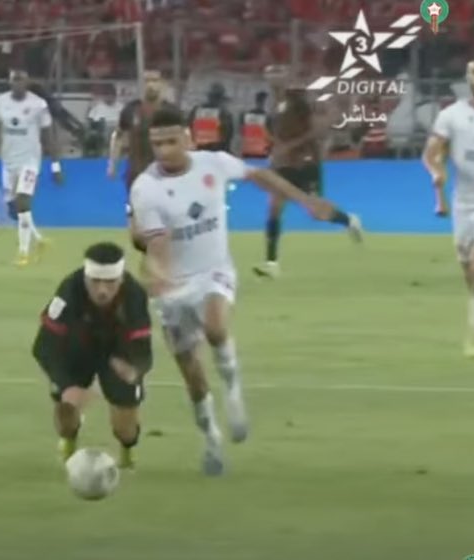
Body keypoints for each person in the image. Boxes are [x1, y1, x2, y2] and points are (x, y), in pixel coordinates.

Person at [129, 108, 353, 475]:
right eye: (157, 144)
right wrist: (160, 276)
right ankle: (211, 440)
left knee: (216, 328)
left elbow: (260, 175)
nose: (164, 150)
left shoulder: (214, 163)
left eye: (171, 141)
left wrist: (305, 200)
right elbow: (156, 244)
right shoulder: (145, 188)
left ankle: (233, 389)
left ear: (187, 138)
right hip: (174, 285)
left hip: (214, 271)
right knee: (192, 374)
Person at [32, 241, 152, 470]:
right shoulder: (69, 291)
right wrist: (66, 385)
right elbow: (43, 347)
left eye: (110, 282)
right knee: (66, 415)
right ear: (86, 277)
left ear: (121, 279)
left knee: (125, 430)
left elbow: (143, 349)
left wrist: (135, 369)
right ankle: (68, 445)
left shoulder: (134, 296)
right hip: (77, 351)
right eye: (95, 281)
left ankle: (127, 450)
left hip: (119, 355)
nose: (102, 290)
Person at [253, 65, 364, 278]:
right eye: (270, 75)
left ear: (286, 78)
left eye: (278, 75)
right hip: (283, 165)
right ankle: (271, 263)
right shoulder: (272, 104)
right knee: (274, 207)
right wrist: (276, 146)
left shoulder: (298, 100)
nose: (273, 79)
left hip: (306, 161)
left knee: (316, 212)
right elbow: (273, 129)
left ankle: (349, 220)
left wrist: (290, 146)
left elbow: (317, 129)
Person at [424, 59, 474, 357]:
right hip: (465, 203)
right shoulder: (451, 115)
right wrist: (436, 171)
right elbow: (431, 154)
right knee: (470, 271)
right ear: (468, 78)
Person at [0, 68, 63, 266]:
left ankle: (23, 252)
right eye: (14, 80)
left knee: (23, 202)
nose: (17, 83)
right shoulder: (0, 103)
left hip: (30, 162)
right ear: (9, 82)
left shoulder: (38, 105)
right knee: (13, 209)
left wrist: (55, 165)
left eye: (21, 80)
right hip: (9, 162)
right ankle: (39, 240)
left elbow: (48, 136)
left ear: (27, 82)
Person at [108, 70, 177, 252]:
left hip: (165, 174)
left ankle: (163, 252)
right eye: (147, 81)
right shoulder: (131, 110)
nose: (150, 85)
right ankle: (145, 251)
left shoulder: (171, 111)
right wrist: (112, 164)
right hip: (136, 173)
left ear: (162, 84)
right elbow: (120, 136)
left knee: (166, 218)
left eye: (154, 80)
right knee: (137, 225)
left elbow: (183, 140)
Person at [188, 82, 234, 153]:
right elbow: (227, 135)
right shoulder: (224, 113)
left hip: (197, 149)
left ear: (209, 96)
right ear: (221, 98)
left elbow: (189, 128)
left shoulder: (196, 110)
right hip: (217, 152)